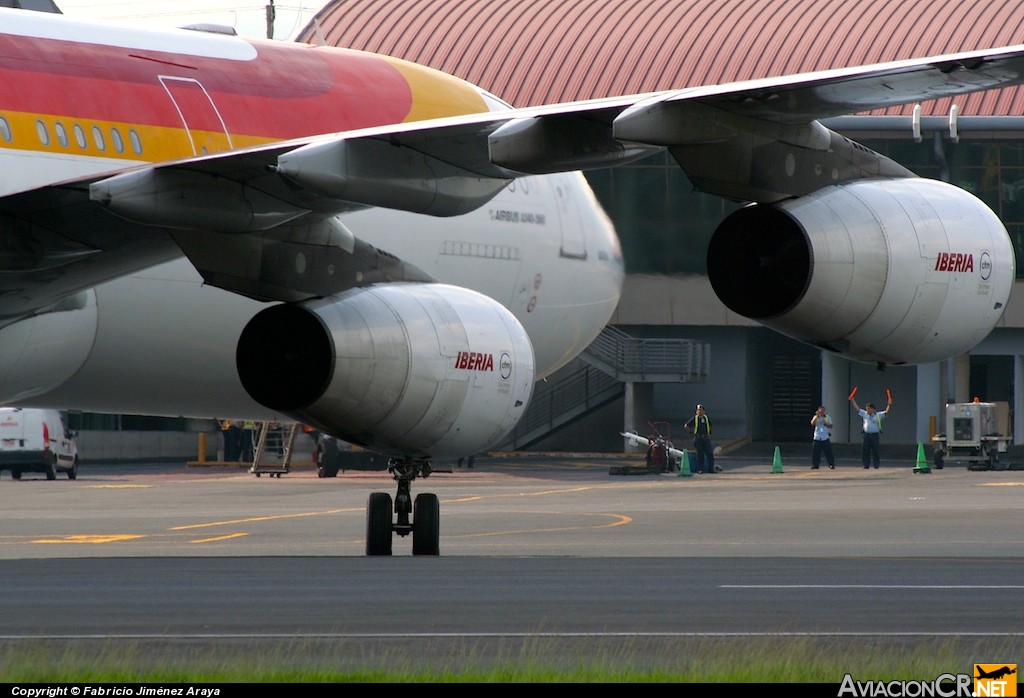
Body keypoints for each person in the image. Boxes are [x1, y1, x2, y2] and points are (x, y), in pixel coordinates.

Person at [850, 394, 892, 469]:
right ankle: (866, 464)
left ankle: (876, 464)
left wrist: (889, 404)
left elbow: (886, 412)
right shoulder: (865, 414)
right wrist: (853, 400)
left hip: (874, 435)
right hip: (866, 435)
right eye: (867, 409)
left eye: (869, 409)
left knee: (875, 450)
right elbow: (857, 408)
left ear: (873, 409)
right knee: (865, 450)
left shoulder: (878, 415)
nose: (867, 410)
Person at [683, 404, 715, 474]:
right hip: (698, 438)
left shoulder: (706, 418)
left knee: (710, 453)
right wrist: (692, 433)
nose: (699, 411)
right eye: (698, 410)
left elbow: (710, 425)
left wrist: (709, 434)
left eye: (700, 410)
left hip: (706, 438)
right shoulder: (695, 418)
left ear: (704, 411)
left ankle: (711, 469)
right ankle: (700, 469)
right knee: (700, 455)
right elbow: (686, 426)